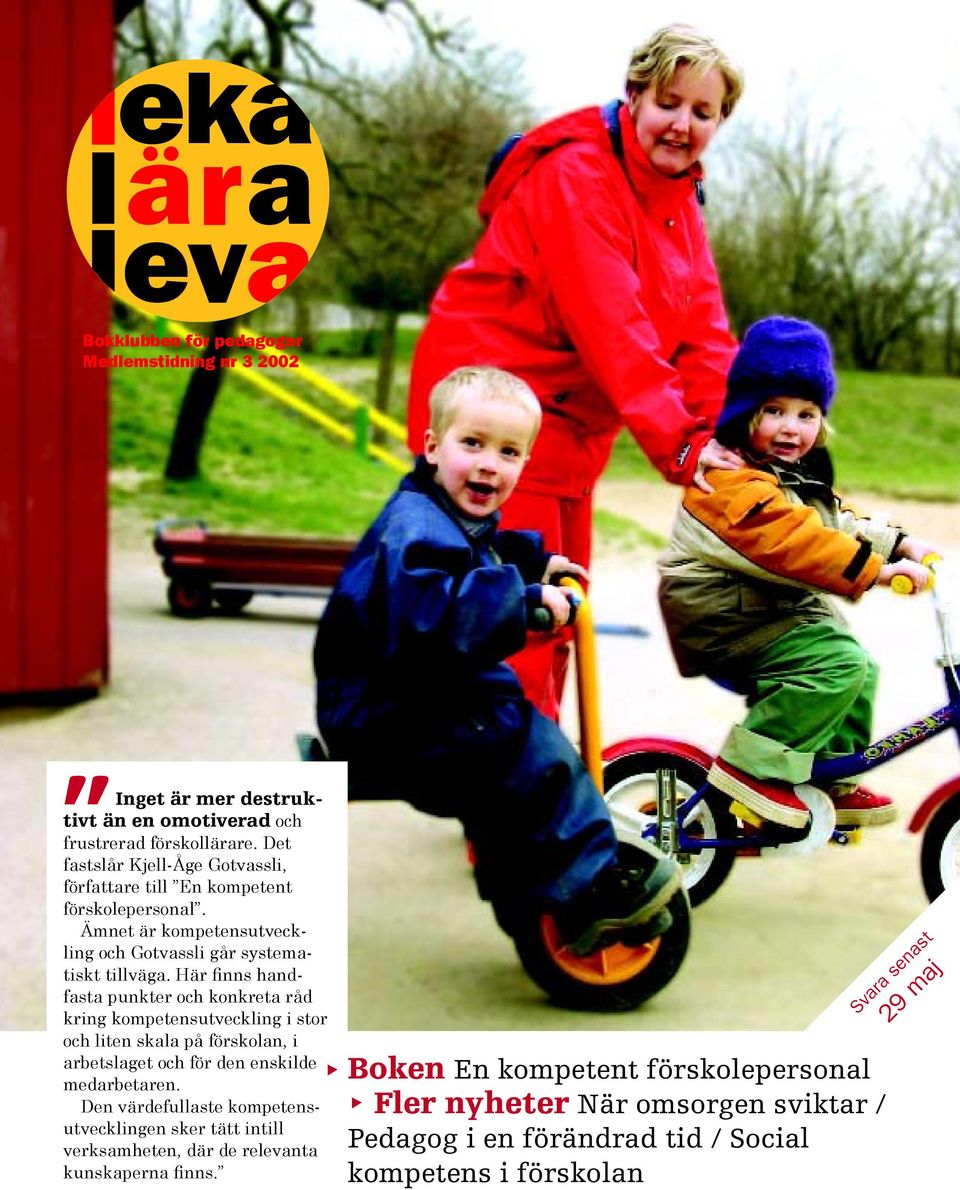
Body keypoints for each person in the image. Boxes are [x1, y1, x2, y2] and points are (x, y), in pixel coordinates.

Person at [407, 24, 746, 720]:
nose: (682, 125)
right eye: (669, 102)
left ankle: (523, 782)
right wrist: (683, 445)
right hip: (494, 409)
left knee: (565, 609)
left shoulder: (678, 202)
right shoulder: (579, 175)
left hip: (568, 421)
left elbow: (704, 331)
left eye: (703, 112)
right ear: (633, 96)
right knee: (517, 619)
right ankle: (510, 813)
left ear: (719, 122)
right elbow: (612, 324)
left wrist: (735, 435)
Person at [315, 366, 681, 954]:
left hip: (405, 697)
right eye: (473, 444)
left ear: (524, 462)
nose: (489, 463)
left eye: (508, 451)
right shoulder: (414, 528)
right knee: (531, 753)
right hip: (384, 715)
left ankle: (528, 895)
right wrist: (527, 603)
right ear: (433, 447)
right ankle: (592, 894)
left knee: (503, 763)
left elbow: (479, 548)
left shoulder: (439, 512)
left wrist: (533, 564)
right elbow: (433, 613)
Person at [657, 316, 940, 829]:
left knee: (859, 666)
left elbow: (835, 522)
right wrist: (876, 571)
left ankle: (828, 772)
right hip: (718, 614)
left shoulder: (791, 474)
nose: (792, 427)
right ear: (746, 415)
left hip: (760, 606)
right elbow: (794, 541)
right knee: (834, 665)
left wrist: (901, 543)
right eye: (774, 411)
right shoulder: (730, 481)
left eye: (806, 414)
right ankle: (752, 769)